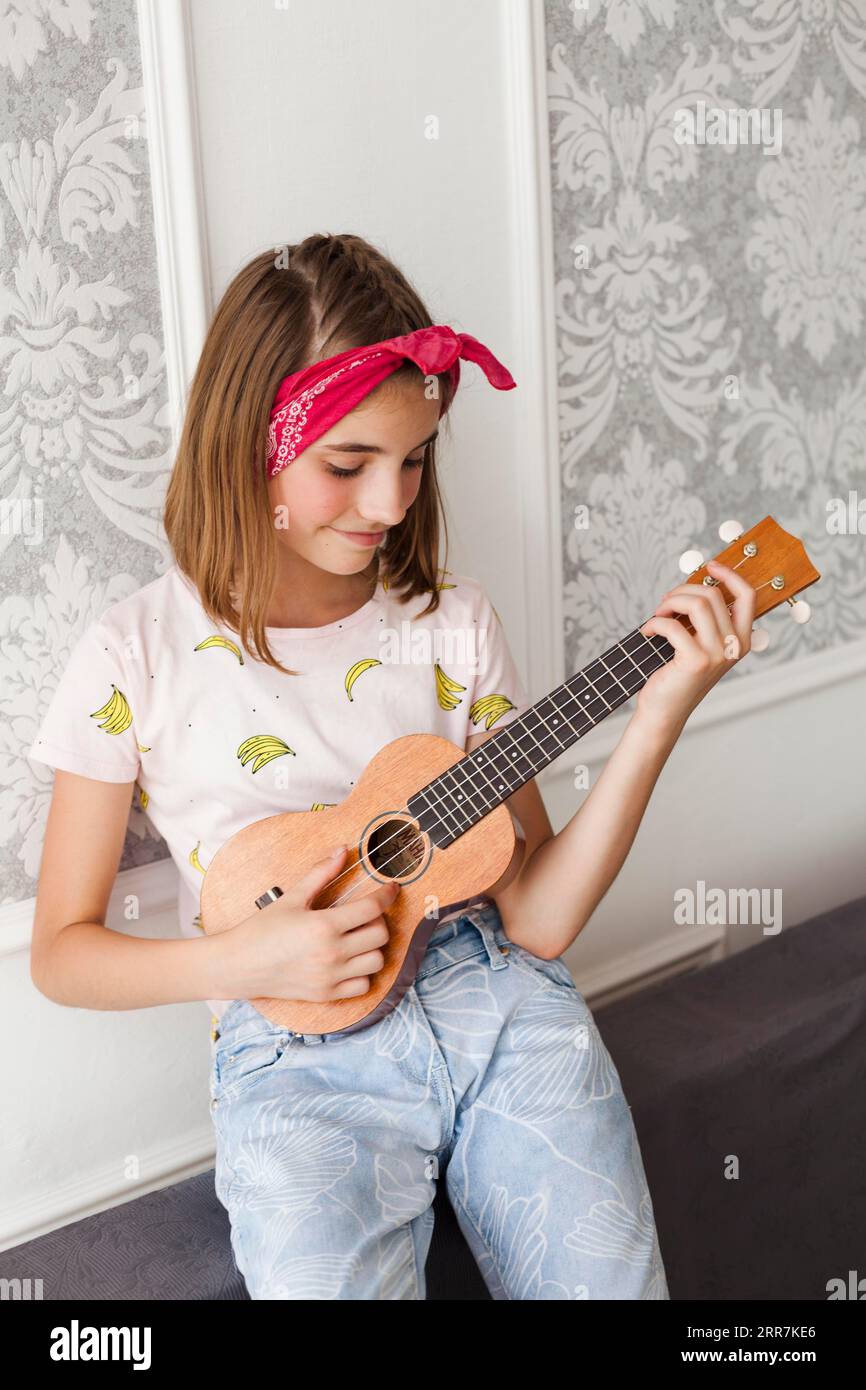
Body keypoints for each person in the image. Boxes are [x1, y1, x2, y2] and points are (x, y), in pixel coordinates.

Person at [28, 233, 754, 1300]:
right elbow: (60, 954)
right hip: (294, 1050)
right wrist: (242, 963)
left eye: (413, 458)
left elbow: (538, 919)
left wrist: (657, 715)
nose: (389, 503)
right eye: (347, 464)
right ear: (247, 445)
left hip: (496, 1001)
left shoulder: (452, 626)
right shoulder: (132, 654)